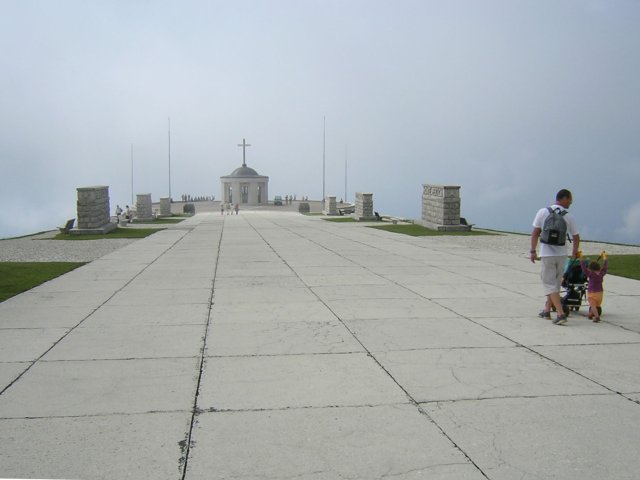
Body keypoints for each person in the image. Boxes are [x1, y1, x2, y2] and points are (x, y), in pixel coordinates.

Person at [530, 189, 580, 325]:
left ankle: (560, 313)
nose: (571, 202)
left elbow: (535, 233)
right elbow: (576, 237)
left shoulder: (543, 212)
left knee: (549, 284)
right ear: (564, 198)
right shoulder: (569, 216)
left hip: (547, 254)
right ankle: (547, 310)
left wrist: (532, 251)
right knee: (555, 284)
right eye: (570, 199)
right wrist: (575, 251)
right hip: (562, 254)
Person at [580, 251, 608, 322]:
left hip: (592, 293)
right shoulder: (601, 273)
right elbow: (605, 266)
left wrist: (581, 258)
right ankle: (590, 314)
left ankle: (597, 317)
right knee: (595, 306)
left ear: (591, 268)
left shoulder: (591, 274)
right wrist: (605, 257)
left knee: (592, 306)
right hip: (600, 294)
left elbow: (584, 268)